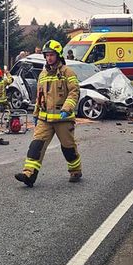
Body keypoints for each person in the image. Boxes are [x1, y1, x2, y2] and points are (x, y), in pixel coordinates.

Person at [15, 40, 82, 188]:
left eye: (51, 55)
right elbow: (40, 96)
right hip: (45, 119)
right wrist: (36, 113)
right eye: (47, 55)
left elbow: (74, 92)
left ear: (58, 55)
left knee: (68, 148)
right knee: (36, 146)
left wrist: (66, 109)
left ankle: (75, 170)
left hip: (63, 119)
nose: (49, 58)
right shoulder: (43, 74)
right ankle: (29, 174)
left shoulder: (67, 72)